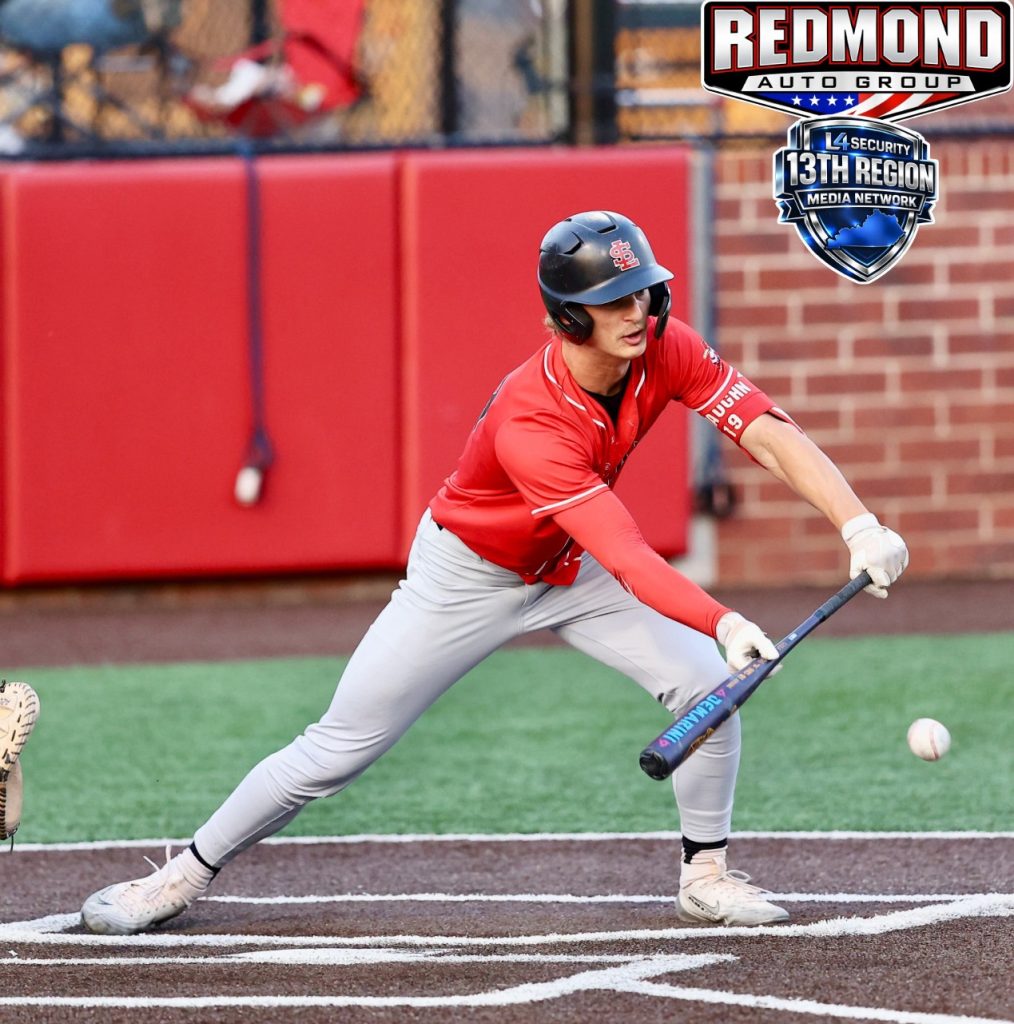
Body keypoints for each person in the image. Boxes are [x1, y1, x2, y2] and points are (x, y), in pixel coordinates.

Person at [81, 211, 908, 934]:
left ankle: (705, 877)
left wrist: (859, 523)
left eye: (643, 293)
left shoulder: (667, 345)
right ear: (568, 317)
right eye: (612, 301)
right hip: (468, 577)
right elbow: (627, 551)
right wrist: (722, 621)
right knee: (336, 751)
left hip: (568, 565)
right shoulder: (531, 422)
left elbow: (764, 431)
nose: (636, 312)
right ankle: (180, 876)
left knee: (706, 691)